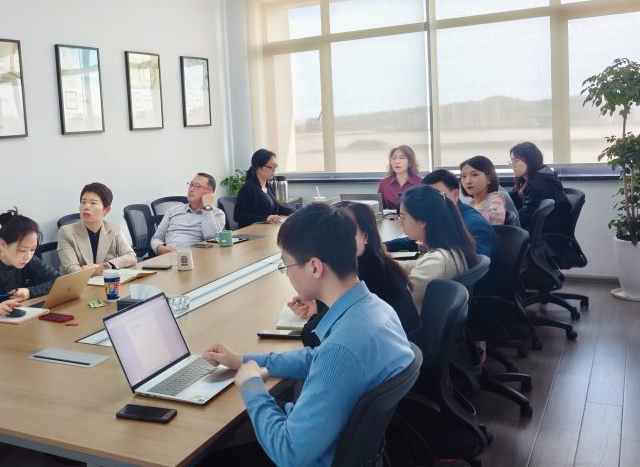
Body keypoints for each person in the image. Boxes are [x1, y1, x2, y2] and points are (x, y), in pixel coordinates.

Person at [202, 204, 414, 467]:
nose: (287, 273)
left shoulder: (342, 350)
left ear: (315, 267)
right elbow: (316, 358)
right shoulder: (376, 309)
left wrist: (252, 386)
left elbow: (289, 452)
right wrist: (242, 360)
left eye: (287, 265)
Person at [289, 200, 420, 339]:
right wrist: (319, 306)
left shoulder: (360, 276)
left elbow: (313, 337)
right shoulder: (378, 263)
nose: (333, 241)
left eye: (344, 232)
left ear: (365, 236)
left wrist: (316, 315)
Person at [395, 185, 480, 310]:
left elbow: (400, 298)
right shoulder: (453, 248)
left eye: (403, 217)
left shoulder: (437, 261)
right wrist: (386, 263)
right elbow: (416, 264)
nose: (400, 222)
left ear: (423, 221)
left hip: (414, 319)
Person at [386, 169, 497, 259]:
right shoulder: (438, 217)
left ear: (455, 195)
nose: (431, 202)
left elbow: (476, 264)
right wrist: (384, 246)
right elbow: (414, 240)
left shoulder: (475, 224)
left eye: (437, 196)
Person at [56, 182, 137, 275]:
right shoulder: (66, 232)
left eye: (93, 203)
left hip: (106, 280)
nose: (86, 207)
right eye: (83, 202)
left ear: (106, 209)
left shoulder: (114, 229)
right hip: (78, 282)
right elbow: (72, 269)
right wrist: (95, 271)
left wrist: (109, 265)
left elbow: (131, 256)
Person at [151, 173, 226, 254]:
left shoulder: (217, 214)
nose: (191, 189)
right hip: (169, 256)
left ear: (209, 193)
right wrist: (159, 248)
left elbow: (210, 236)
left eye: (197, 186)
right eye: (191, 185)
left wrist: (207, 209)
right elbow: (156, 237)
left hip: (198, 257)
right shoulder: (173, 210)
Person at [509, 142, 571, 235]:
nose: (513, 165)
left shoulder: (540, 183)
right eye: (511, 161)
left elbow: (527, 216)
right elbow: (512, 200)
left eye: (516, 161)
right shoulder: (524, 180)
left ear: (530, 160)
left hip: (548, 234)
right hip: (539, 230)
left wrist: (504, 217)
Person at [234, 149, 295, 228]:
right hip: (251, 230)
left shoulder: (268, 186)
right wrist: (265, 218)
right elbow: (238, 215)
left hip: (267, 228)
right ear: (257, 168)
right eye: (270, 167)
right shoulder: (248, 188)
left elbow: (278, 208)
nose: (274, 170)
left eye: (275, 166)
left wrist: (296, 212)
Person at [460, 155, 516, 226]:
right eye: (464, 176)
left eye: (474, 175)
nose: (468, 181)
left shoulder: (496, 202)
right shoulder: (472, 203)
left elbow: (492, 227)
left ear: (489, 177)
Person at [377, 145, 422, 209]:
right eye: (394, 158)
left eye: (402, 158)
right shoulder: (384, 183)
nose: (397, 162)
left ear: (410, 162)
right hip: (390, 215)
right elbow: (379, 209)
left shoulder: (420, 183)